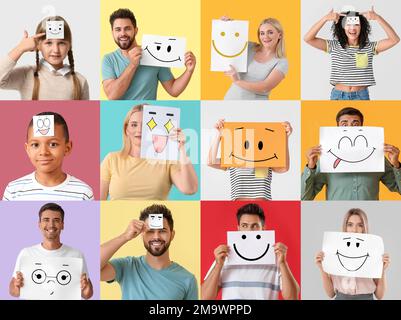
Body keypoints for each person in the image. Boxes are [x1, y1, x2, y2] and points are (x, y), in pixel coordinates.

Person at [201, 203, 299, 300]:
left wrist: (283, 263)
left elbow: (293, 297)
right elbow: (205, 297)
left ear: (263, 228)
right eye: (244, 226)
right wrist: (218, 265)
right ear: (238, 228)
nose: (249, 231)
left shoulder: (276, 258)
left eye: (255, 226)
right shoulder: (224, 257)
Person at [100, 204, 198, 300]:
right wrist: (125, 236)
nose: (156, 237)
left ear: (172, 235)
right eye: (150, 231)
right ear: (142, 234)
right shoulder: (127, 267)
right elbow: (91, 268)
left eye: (162, 231)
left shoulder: (187, 279)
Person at [301, 107, 401, 200]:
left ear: (362, 127)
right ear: (337, 128)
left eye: (355, 124)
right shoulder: (326, 160)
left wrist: (396, 164)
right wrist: (310, 166)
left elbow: (398, 188)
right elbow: (305, 197)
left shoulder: (378, 159)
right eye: (344, 124)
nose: (350, 128)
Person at [100, 104, 197, 200]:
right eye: (134, 125)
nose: (139, 130)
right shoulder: (112, 159)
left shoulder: (167, 161)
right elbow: (99, 201)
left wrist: (182, 149)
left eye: (145, 125)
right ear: (126, 130)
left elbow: (190, 189)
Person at [304, 6, 399, 100]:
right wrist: (325, 19)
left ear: (362, 27)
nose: (352, 28)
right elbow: (308, 39)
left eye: (356, 24)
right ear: (342, 27)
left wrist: (378, 18)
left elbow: (394, 40)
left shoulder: (370, 47)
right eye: (348, 24)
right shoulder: (334, 46)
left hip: (361, 96)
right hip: (338, 96)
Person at [102, 8, 196, 100]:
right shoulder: (109, 59)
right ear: (112, 32)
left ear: (136, 30)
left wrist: (189, 70)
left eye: (127, 29)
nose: (123, 33)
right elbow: (112, 96)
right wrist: (132, 65)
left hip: (147, 111)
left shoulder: (154, 54)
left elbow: (173, 90)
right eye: (118, 29)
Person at [9, 202, 93, 299]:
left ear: (62, 225)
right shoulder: (26, 253)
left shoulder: (76, 255)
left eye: (56, 220)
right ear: (39, 224)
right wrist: (16, 285)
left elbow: (87, 294)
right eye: (46, 220)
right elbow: (14, 292)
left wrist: (86, 288)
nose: (51, 224)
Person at [2, 111, 94, 200]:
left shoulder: (83, 192)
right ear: (28, 149)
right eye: (35, 145)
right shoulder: (13, 191)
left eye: (53, 144)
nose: (43, 152)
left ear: (67, 148)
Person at [0, 16, 89, 100]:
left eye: (61, 43)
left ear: (69, 46)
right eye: (49, 43)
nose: (56, 50)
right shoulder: (26, 74)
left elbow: (84, 115)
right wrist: (20, 48)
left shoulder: (80, 81)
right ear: (38, 45)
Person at [207, 119, 292, 200]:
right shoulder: (234, 159)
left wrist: (285, 137)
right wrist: (218, 135)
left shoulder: (266, 159)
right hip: (239, 208)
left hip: (263, 208)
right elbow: (210, 162)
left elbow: (284, 168)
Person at [315, 208, 390, 300]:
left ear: (364, 227)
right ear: (345, 227)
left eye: (360, 225)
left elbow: (380, 296)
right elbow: (331, 294)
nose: (354, 230)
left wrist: (382, 270)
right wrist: (322, 268)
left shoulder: (373, 252)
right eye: (350, 225)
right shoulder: (335, 253)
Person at [222, 17, 288, 100]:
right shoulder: (249, 47)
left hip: (255, 107)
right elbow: (229, 41)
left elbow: (265, 87)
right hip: (230, 100)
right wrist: (227, 25)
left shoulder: (281, 62)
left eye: (270, 32)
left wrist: (237, 81)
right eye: (262, 33)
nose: (265, 36)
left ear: (280, 35)